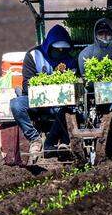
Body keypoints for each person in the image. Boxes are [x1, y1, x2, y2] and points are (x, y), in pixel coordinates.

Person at [10, 25, 79, 161]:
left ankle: (59, 142)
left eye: (63, 49)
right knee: (16, 105)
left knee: (69, 107)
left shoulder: (70, 60)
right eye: (56, 49)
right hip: (38, 101)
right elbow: (26, 85)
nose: (60, 51)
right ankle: (35, 139)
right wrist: (47, 86)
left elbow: (74, 83)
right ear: (48, 46)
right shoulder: (34, 56)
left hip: (61, 103)